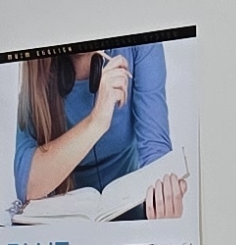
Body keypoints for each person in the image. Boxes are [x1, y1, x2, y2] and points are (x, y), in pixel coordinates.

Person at [13, 43, 184, 214]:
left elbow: (155, 149)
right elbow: (27, 186)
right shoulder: (38, 65)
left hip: (130, 208)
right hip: (66, 217)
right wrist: (97, 121)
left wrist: (163, 194)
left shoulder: (141, 46)